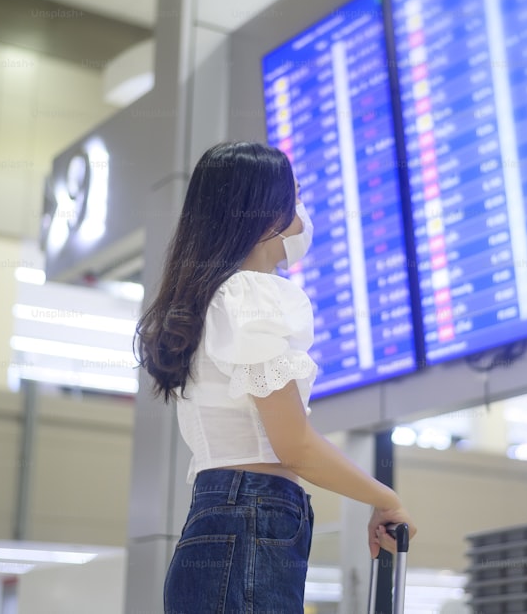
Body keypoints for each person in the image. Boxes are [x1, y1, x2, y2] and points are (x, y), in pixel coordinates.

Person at [135, 141, 416, 613]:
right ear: (267, 215)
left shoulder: (210, 298)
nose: (302, 213)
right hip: (252, 518)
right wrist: (386, 499)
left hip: (220, 518)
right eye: (296, 197)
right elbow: (295, 444)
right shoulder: (252, 295)